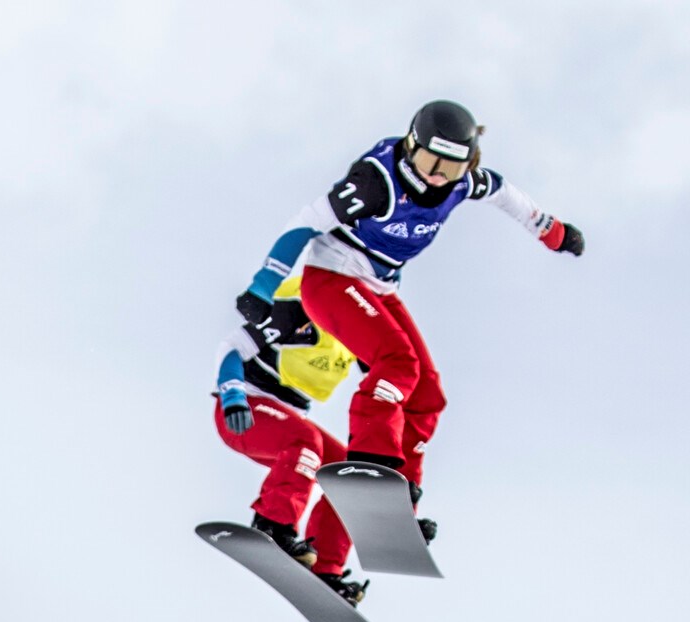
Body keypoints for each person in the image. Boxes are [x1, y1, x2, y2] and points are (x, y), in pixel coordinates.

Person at [232, 100, 583, 552]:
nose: (436, 176)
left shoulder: (464, 183)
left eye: (449, 168)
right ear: (411, 146)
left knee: (427, 394)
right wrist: (264, 285)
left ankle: (346, 543)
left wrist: (552, 232)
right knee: (397, 362)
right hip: (332, 278)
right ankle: (372, 464)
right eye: (428, 162)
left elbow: (505, 194)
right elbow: (308, 221)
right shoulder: (376, 182)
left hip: (377, 287)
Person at [215, 275, 379, 604]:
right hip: (247, 409)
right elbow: (232, 348)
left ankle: (325, 568)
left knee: (351, 475)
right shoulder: (298, 312)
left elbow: (388, 380)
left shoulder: (359, 331)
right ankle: (272, 525)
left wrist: (403, 512)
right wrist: (232, 395)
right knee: (306, 440)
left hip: (288, 418)